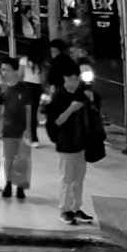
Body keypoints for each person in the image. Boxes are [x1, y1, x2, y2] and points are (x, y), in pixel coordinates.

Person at [43, 59, 96, 225]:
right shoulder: (59, 96)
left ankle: (75, 208)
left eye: (77, 79)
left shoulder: (81, 94)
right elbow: (56, 121)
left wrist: (91, 102)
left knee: (79, 178)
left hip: (81, 142)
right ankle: (64, 210)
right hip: (66, 143)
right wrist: (71, 108)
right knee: (67, 178)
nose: (75, 82)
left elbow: (91, 117)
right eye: (72, 79)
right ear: (65, 78)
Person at [0, 57, 39, 200]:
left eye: (6, 69)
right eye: (2, 69)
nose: (3, 72)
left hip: (22, 131)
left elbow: (29, 110)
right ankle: (8, 184)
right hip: (8, 130)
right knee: (8, 159)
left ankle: (20, 186)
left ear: (15, 71)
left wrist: (29, 129)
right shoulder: (1, 89)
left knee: (22, 159)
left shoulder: (25, 89)